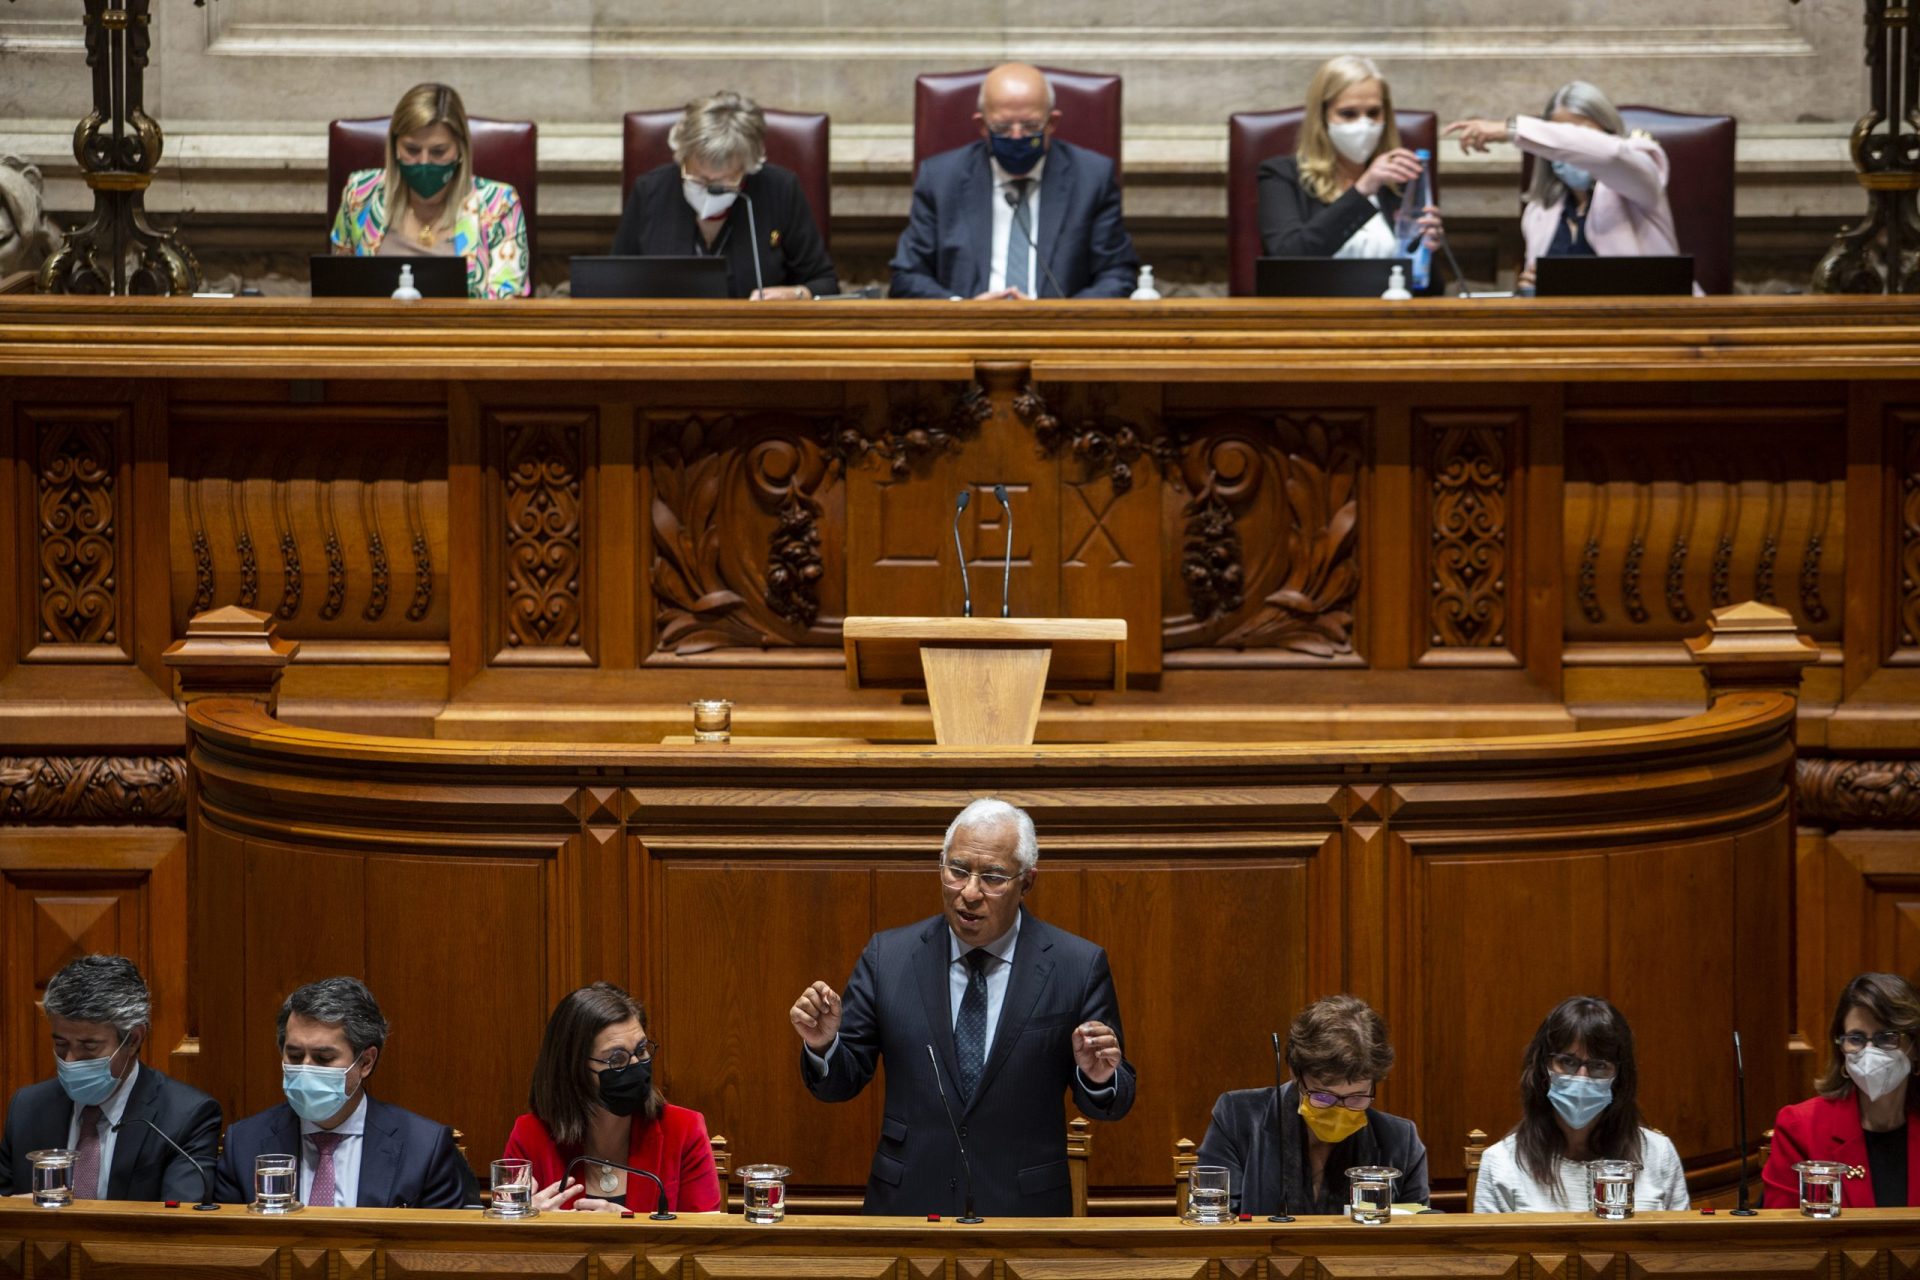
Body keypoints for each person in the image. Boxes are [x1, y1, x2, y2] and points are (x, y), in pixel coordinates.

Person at [790, 798, 1135, 1215]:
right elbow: (839, 1084)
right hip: (908, 1204)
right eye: (957, 871)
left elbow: (1114, 1101)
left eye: (992, 877)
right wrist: (825, 1047)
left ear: (1027, 882)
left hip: (1024, 1212)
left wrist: (1097, 1078)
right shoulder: (889, 957)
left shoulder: (1077, 966)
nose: (969, 893)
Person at [214, 977, 473, 1208]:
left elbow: (439, 1253)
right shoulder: (244, 1145)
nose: (305, 1068)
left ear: (366, 1062)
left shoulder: (423, 1148)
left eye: (323, 1058)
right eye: (294, 1055)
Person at [890, 63, 1138, 299]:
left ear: (1052, 123)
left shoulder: (1091, 178)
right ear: (982, 126)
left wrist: (1057, 317)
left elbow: (1118, 275)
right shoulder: (941, 179)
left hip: (1058, 337)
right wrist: (962, 309)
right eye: (1002, 127)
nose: (1017, 136)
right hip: (965, 334)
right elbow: (907, 275)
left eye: (1030, 126)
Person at [0, 955, 220, 1201]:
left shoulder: (184, 1117)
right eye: (61, 1044)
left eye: (89, 1046)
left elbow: (177, 1228)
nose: (70, 1060)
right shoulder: (27, 1108)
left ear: (133, 1039)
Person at [1444, 81, 1686, 293]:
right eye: (1558, 138)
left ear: (1608, 132)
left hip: (1649, 326)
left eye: (1578, 135)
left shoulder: (1638, 176)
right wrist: (1531, 289)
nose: (1569, 152)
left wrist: (1511, 130)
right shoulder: (1540, 212)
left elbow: (1611, 154)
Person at [1195, 994, 1427, 1215]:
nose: (1340, 1110)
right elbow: (1213, 1226)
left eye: (1356, 1097)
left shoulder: (1400, 1142)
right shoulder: (1237, 1118)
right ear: (1296, 1074)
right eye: (1324, 1096)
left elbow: (1419, 1238)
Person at [505, 982, 721, 1213]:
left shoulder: (683, 1130)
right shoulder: (529, 1136)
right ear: (574, 1068)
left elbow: (705, 1241)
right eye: (616, 1059)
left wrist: (626, 1230)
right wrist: (529, 1224)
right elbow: (500, 1243)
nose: (636, 1065)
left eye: (640, 1051)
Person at [612, 91, 837, 301]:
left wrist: (797, 294)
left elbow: (825, 283)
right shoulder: (650, 190)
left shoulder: (780, 190)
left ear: (749, 167)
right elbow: (613, 283)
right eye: (698, 178)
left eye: (724, 180)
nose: (710, 188)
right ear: (682, 156)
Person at [1473, 995, 1688, 1212]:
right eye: (1567, 1062)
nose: (1582, 1077)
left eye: (1598, 1065)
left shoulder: (1659, 1155)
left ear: (1620, 1077)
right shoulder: (1501, 1162)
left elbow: (1685, 1245)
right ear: (1543, 1068)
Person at [329, 82, 529, 299]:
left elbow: (506, 306)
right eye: (412, 150)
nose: (424, 162)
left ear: (460, 150)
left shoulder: (499, 204)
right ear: (395, 147)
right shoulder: (360, 194)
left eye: (438, 151)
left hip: (463, 332)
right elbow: (336, 290)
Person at [1256, 55, 1441, 262]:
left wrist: (1426, 249)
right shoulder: (1281, 175)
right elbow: (1286, 259)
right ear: (1322, 117)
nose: (1364, 124)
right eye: (1348, 114)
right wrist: (1361, 191)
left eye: (1373, 113)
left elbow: (1428, 288)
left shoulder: (1398, 180)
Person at [1762, 972, 1919, 1208]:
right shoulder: (1800, 1128)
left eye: (1886, 1037)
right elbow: (1784, 1237)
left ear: (1915, 1047)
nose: (1869, 1051)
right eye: (1855, 1038)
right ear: (1841, 1049)